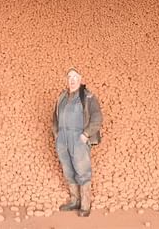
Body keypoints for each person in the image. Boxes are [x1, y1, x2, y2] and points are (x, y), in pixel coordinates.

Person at [51, 67, 103, 217]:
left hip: (79, 139)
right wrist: (56, 134)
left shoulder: (88, 97)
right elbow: (54, 117)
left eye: (75, 77)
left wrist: (86, 134)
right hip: (63, 139)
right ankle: (75, 201)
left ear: (80, 80)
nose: (72, 80)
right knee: (68, 170)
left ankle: (85, 205)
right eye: (69, 77)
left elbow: (97, 117)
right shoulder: (61, 97)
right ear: (67, 80)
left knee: (82, 171)